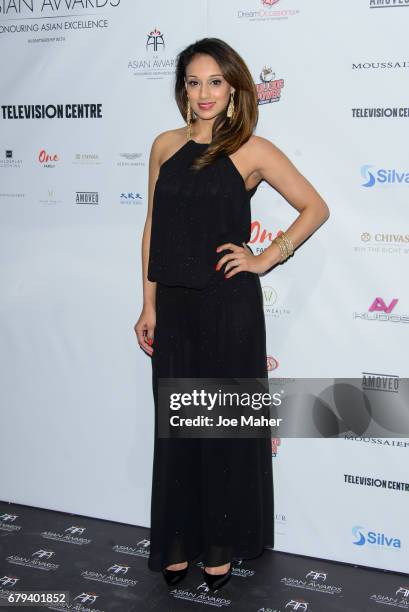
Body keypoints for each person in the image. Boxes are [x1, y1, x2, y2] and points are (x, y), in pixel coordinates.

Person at [134, 37, 329, 593]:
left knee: (218, 430)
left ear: (234, 87)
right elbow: (152, 229)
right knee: (176, 431)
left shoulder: (251, 148)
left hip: (228, 308)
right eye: (193, 82)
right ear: (182, 89)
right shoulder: (163, 146)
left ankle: (218, 548)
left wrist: (266, 258)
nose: (204, 93)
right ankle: (176, 541)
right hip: (173, 306)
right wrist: (148, 304)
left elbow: (314, 207)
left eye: (215, 82)